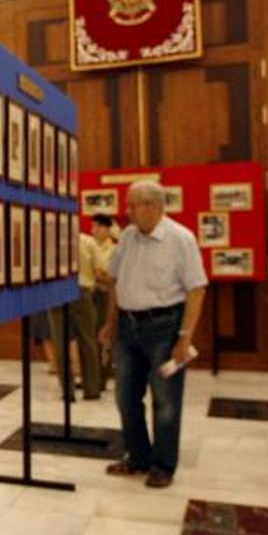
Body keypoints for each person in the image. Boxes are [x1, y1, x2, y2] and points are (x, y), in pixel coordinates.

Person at [99, 180, 208, 489]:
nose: (127, 210)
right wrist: (110, 323)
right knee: (125, 398)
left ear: (155, 207)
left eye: (133, 205)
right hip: (128, 328)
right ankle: (138, 457)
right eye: (129, 204)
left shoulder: (181, 239)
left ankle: (163, 465)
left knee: (166, 400)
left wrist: (185, 337)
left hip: (165, 327)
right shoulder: (128, 238)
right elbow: (115, 283)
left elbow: (196, 290)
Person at [49, 226, 104, 400]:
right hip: (83, 292)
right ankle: (92, 389)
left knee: (60, 342)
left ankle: (68, 391)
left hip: (56, 293)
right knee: (88, 341)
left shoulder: (50, 241)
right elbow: (99, 270)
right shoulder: (88, 241)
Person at [90, 215, 118, 375]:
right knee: (93, 334)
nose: (93, 231)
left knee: (107, 331)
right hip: (92, 293)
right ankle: (96, 371)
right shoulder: (90, 246)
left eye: (98, 227)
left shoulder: (114, 250)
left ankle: (108, 368)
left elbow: (114, 278)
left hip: (108, 296)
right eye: (93, 227)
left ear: (108, 230)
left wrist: (101, 276)